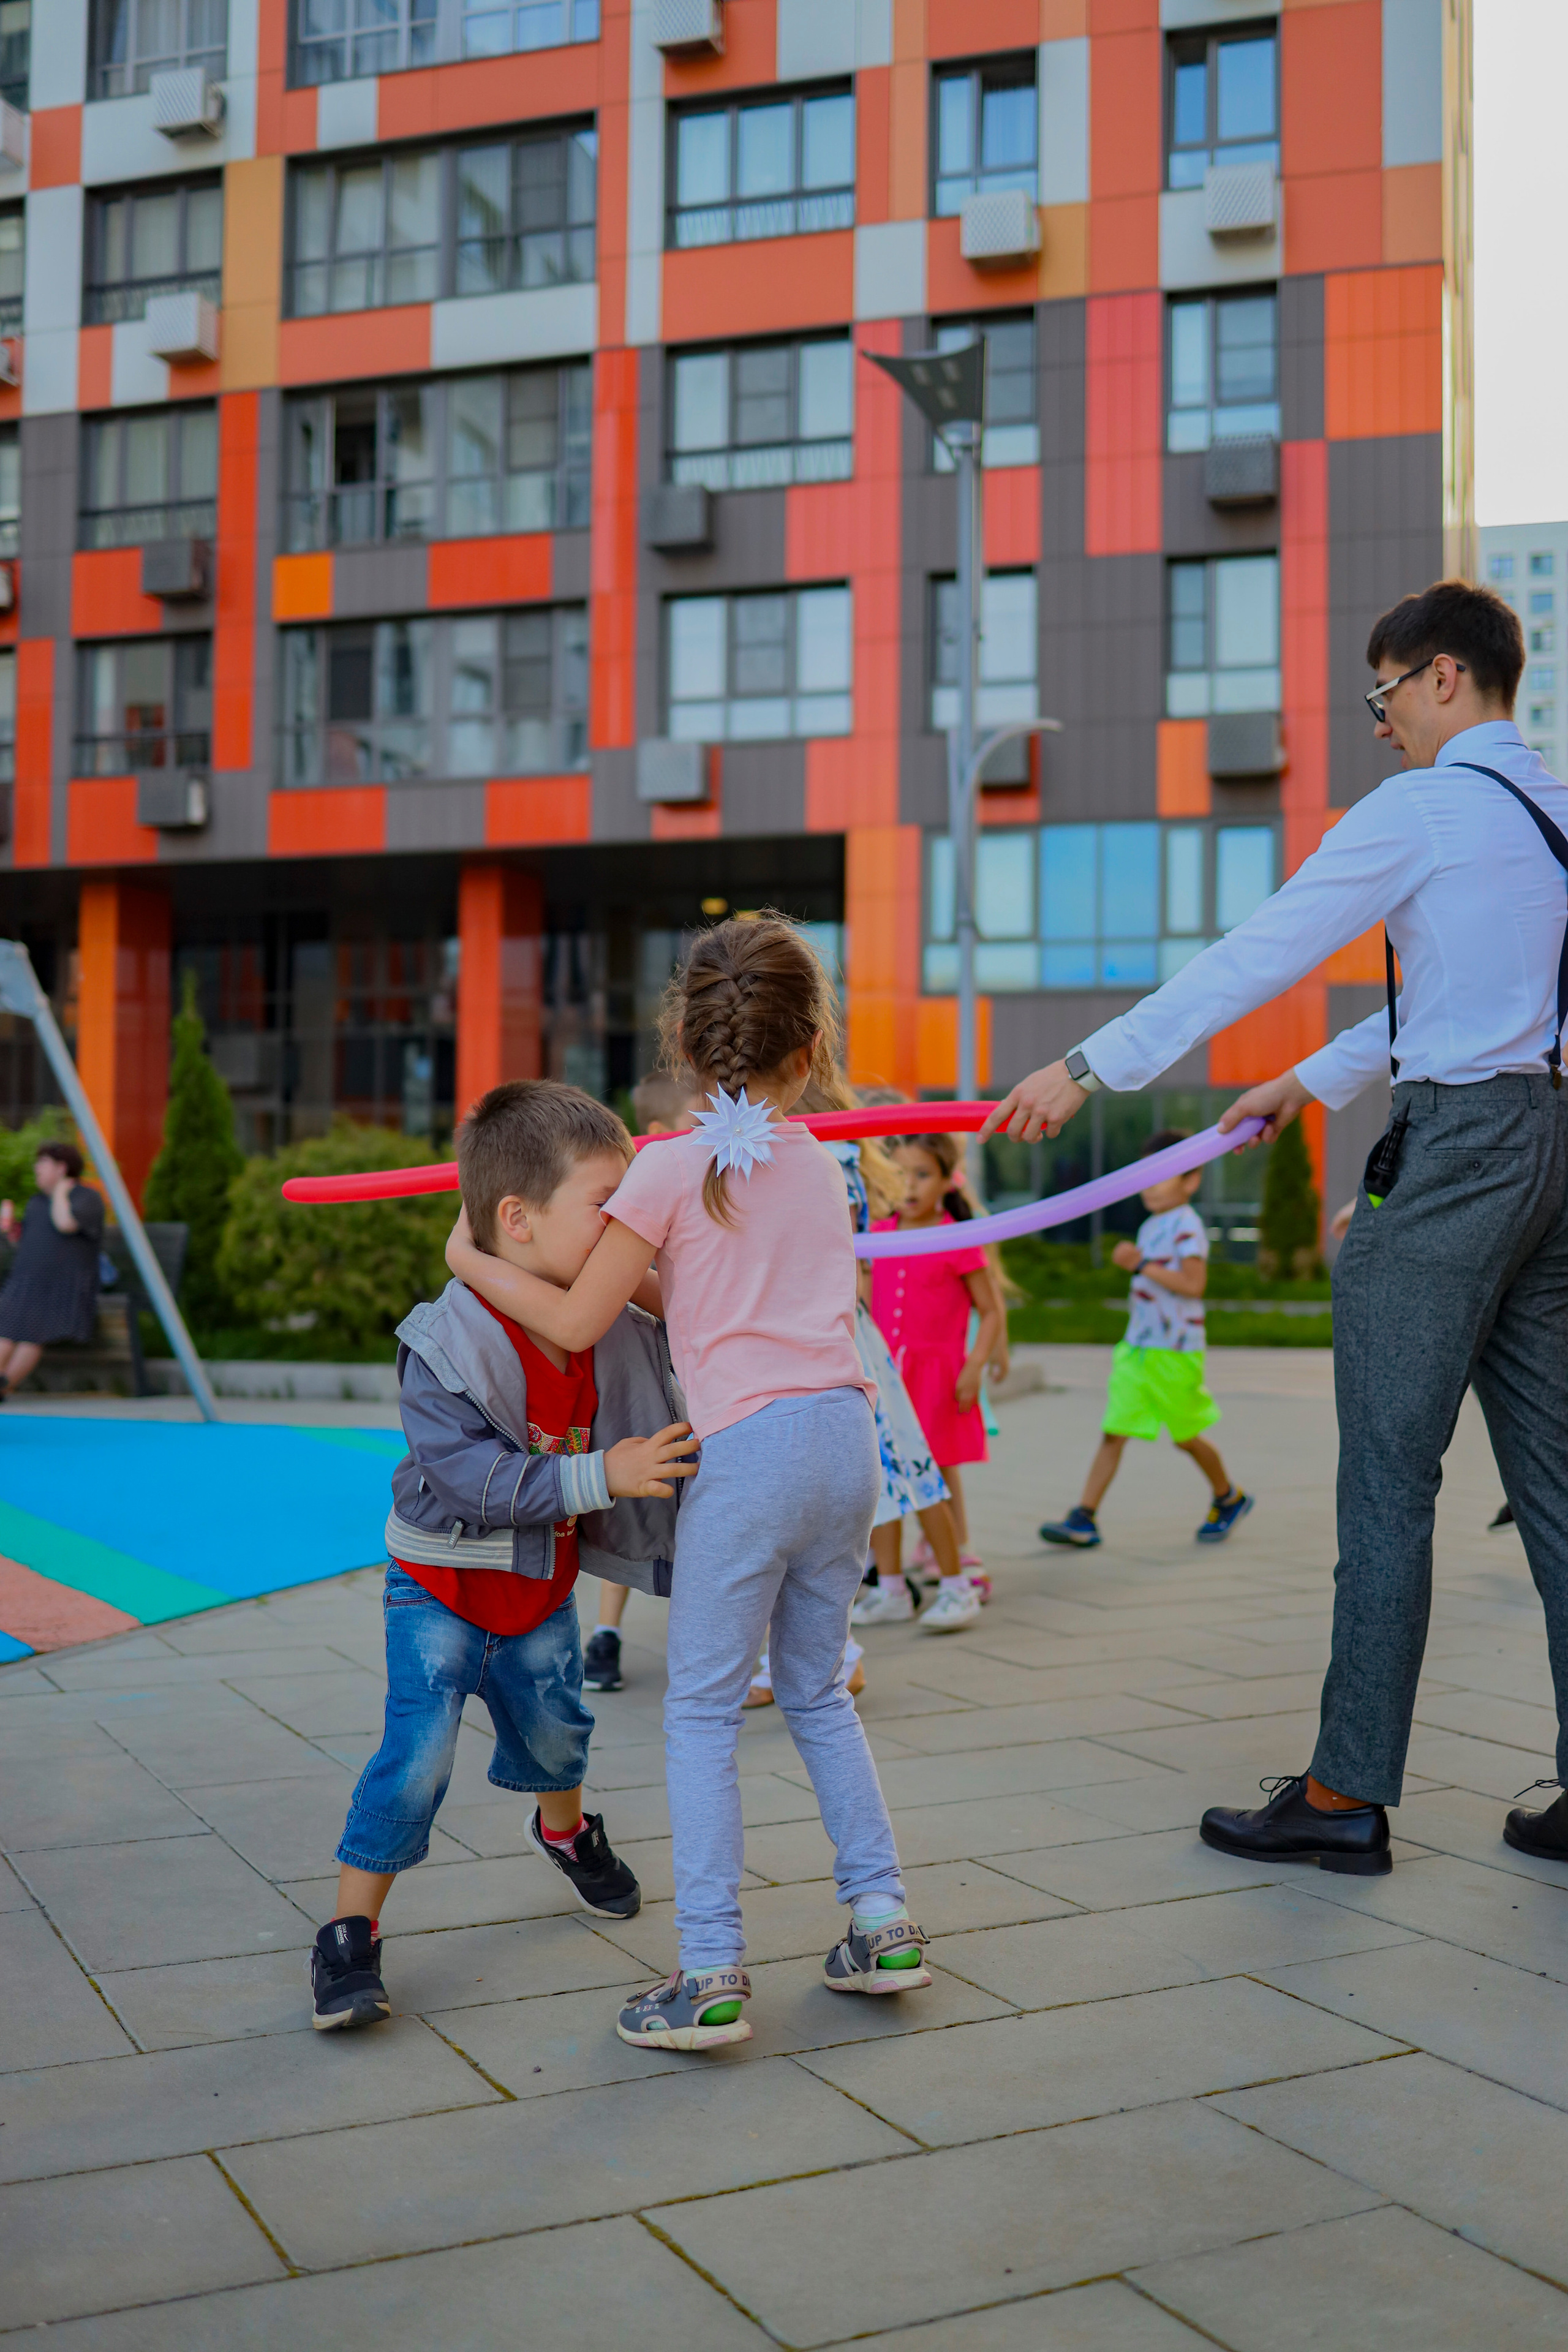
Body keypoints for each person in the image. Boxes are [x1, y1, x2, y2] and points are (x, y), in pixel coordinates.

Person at [982, 578, 1568, 1878]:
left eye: (1382, 692)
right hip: (1548, 1151)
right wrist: (1313, 1078)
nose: (1376, 723)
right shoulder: (1553, 815)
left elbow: (1258, 948)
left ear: (1440, 681)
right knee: (1558, 1485)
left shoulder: (1420, 808)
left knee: (1385, 1478)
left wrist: (1085, 1066)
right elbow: (1493, 1004)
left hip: (1459, 1154)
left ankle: (1342, 1790)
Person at [448, 915, 932, 2051]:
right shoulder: (815, 1161)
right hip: (841, 1441)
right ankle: (883, 1919)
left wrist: (472, 1257)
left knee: (704, 1713)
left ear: (682, 1035)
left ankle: (709, 1971)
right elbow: (713, 1298)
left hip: (751, 1455)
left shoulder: (668, 1167)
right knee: (814, 1692)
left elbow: (576, 1310)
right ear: (810, 1046)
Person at [311, 1080, 696, 2031]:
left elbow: (690, 1317)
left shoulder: (597, 1316)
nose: (625, 1228)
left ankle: (563, 1833)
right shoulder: (445, 1345)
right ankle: (348, 1936)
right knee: (417, 1758)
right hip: (438, 1590)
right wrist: (603, 1474)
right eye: (606, 1210)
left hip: (539, 1589)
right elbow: (472, 1485)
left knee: (559, 1732)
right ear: (517, 1221)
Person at [1038, 1130, 1253, 1549]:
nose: (1150, 1186)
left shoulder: (1187, 1227)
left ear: (1191, 1181)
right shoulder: (1152, 1224)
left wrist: (1141, 1265)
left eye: (1163, 1176)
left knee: (1187, 1436)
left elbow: (1194, 1285)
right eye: (1146, 1176)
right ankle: (1084, 1517)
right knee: (1114, 1431)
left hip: (1175, 1353)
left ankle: (1229, 1497)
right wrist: (1142, 1265)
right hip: (1137, 1349)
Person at [582, 1069, 703, 1695]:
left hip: (698, 1372)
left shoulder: (708, 1183)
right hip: (647, 1366)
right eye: (694, 1123)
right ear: (656, 1137)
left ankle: (725, 1637)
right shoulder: (644, 1191)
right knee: (634, 1489)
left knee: (700, 1511)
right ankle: (606, 1632)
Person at [864, 1134, 1000, 1631]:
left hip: (934, 1377)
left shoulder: (954, 1238)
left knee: (930, 1481)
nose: (910, 1186)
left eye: (922, 1174)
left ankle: (956, 1580)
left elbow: (990, 1312)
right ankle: (893, 1587)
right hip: (884, 1376)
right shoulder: (878, 1233)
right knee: (883, 1483)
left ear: (947, 1181)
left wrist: (975, 1365)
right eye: (901, 1175)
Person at [0, 1142, 106, 1398]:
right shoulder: (37, 1202)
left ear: (61, 1168)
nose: (37, 1168)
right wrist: (9, 1229)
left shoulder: (86, 1197)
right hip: (28, 1281)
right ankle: (3, 1385)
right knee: (5, 1327)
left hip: (62, 1286)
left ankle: (4, 1385)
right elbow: (28, 1243)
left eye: (43, 1163)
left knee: (29, 1332)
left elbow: (66, 1223)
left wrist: (60, 1192)